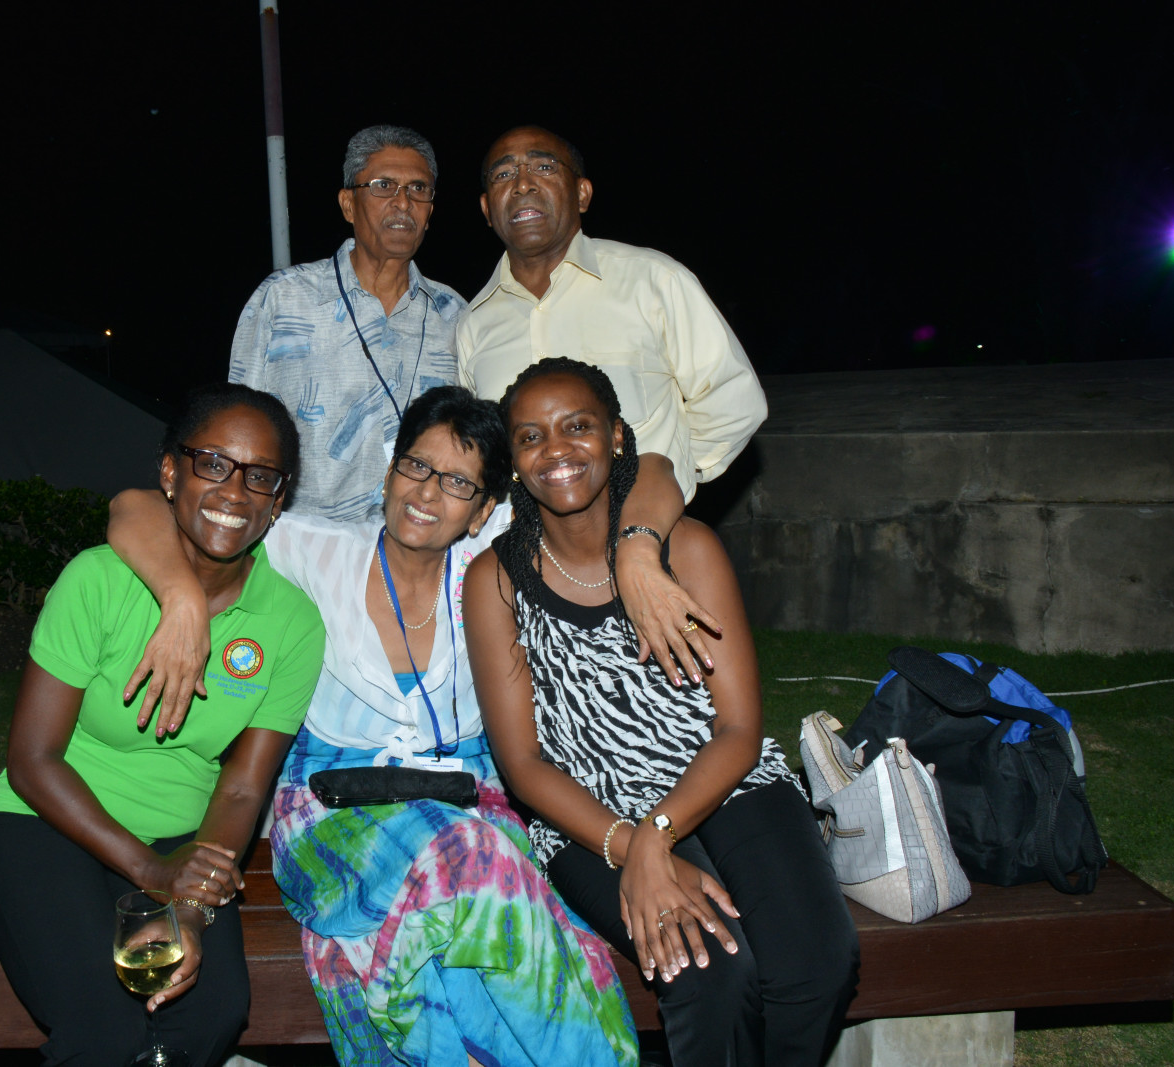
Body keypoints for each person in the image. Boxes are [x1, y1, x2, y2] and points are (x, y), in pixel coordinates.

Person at [107, 385, 711, 1066]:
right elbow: (134, 506)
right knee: (476, 866)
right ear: (389, 470)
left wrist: (637, 550)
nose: (427, 492)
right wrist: (182, 598)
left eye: (457, 482)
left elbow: (653, 471)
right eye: (416, 466)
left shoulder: (497, 552)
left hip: (468, 799)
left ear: (484, 509)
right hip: (334, 807)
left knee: (511, 927)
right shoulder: (314, 549)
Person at [465, 358, 859, 1067]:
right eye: (530, 437)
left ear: (616, 435)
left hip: (726, 778)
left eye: (577, 426)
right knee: (709, 972)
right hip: (588, 812)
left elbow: (738, 728)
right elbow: (522, 764)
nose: (556, 450)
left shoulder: (688, 548)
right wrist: (630, 843)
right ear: (514, 460)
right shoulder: (496, 579)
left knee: (816, 963)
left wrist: (657, 837)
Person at [0, 383, 325, 1067]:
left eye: (261, 476)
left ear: (279, 499)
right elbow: (33, 759)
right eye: (213, 463)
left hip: (178, 836)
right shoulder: (98, 581)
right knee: (104, 1031)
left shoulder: (292, 623)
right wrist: (153, 872)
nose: (235, 491)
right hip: (42, 821)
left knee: (212, 1016)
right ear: (170, 471)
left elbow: (243, 787)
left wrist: (188, 906)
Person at [455, 126, 768, 504]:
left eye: (544, 167)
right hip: (521, 539)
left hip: (649, 532)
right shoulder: (473, 324)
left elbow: (734, 402)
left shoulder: (653, 281)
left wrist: (667, 487)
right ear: (487, 209)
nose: (522, 184)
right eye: (503, 174)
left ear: (582, 194)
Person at [230, 124, 466, 521]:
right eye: (383, 186)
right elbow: (236, 431)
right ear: (348, 205)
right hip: (302, 544)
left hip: (418, 544)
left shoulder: (454, 315)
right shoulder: (284, 298)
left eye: (418, 189)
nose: (403, 203)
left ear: (430, 212)